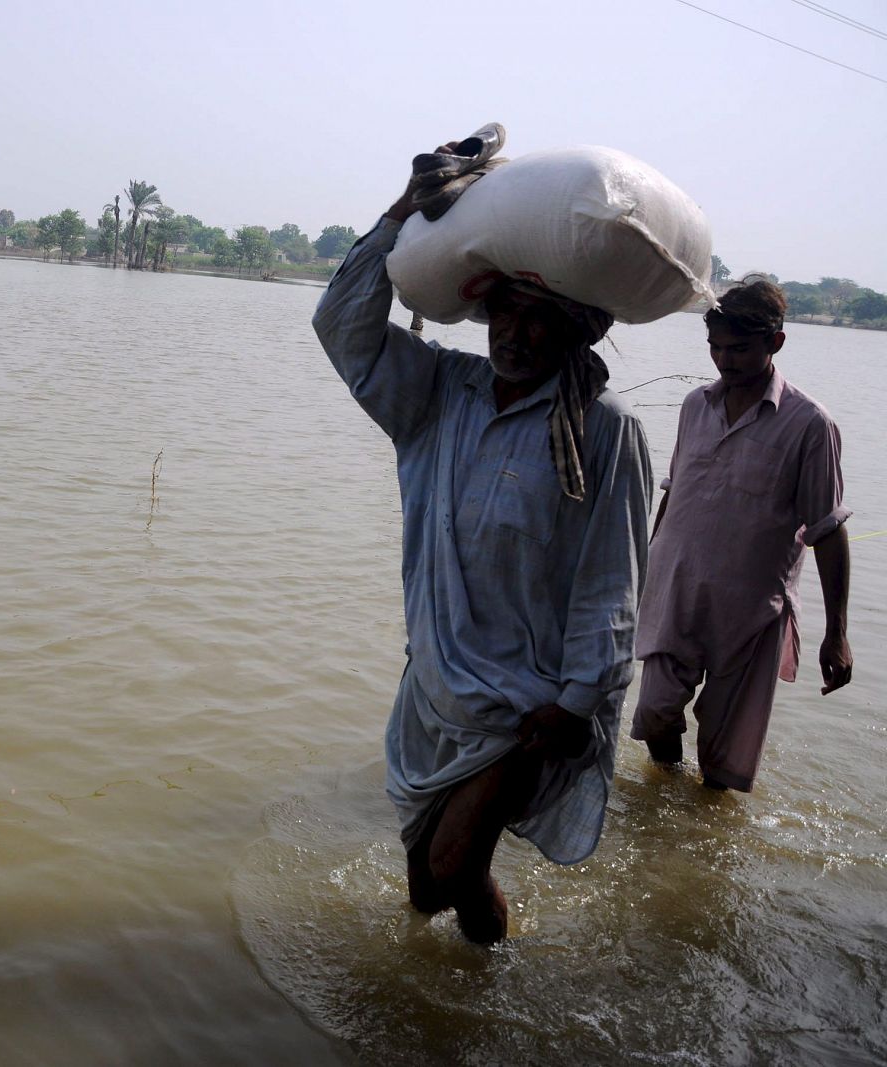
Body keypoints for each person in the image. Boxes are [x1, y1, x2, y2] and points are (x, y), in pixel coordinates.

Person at [311, 148, 653, 944]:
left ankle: (484, 980)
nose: (518, 334)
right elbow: (341, 326)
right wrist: (400, 211)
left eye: (542, 320)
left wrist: (577, 703)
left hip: (527, 705)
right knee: (426, 890)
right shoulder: (438, 394)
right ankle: (455, 1001)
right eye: (505, 311)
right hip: (433, 684)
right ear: (483, 310)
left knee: (455, 865)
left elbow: (611, 582)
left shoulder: (606, 436)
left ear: (576, 334)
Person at [632, 281, 853, 791]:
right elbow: (675, 492)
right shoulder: (695, 405)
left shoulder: (810, 425)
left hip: (750, 612)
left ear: (775, 343)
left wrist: (837, 631)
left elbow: (828, 531)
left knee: (723, 754)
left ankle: (705, 822)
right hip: (676, 593)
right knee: (656, 712)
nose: (724, 361)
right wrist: (645, 569)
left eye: (738, 349)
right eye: (715, 348)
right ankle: (662, 804)